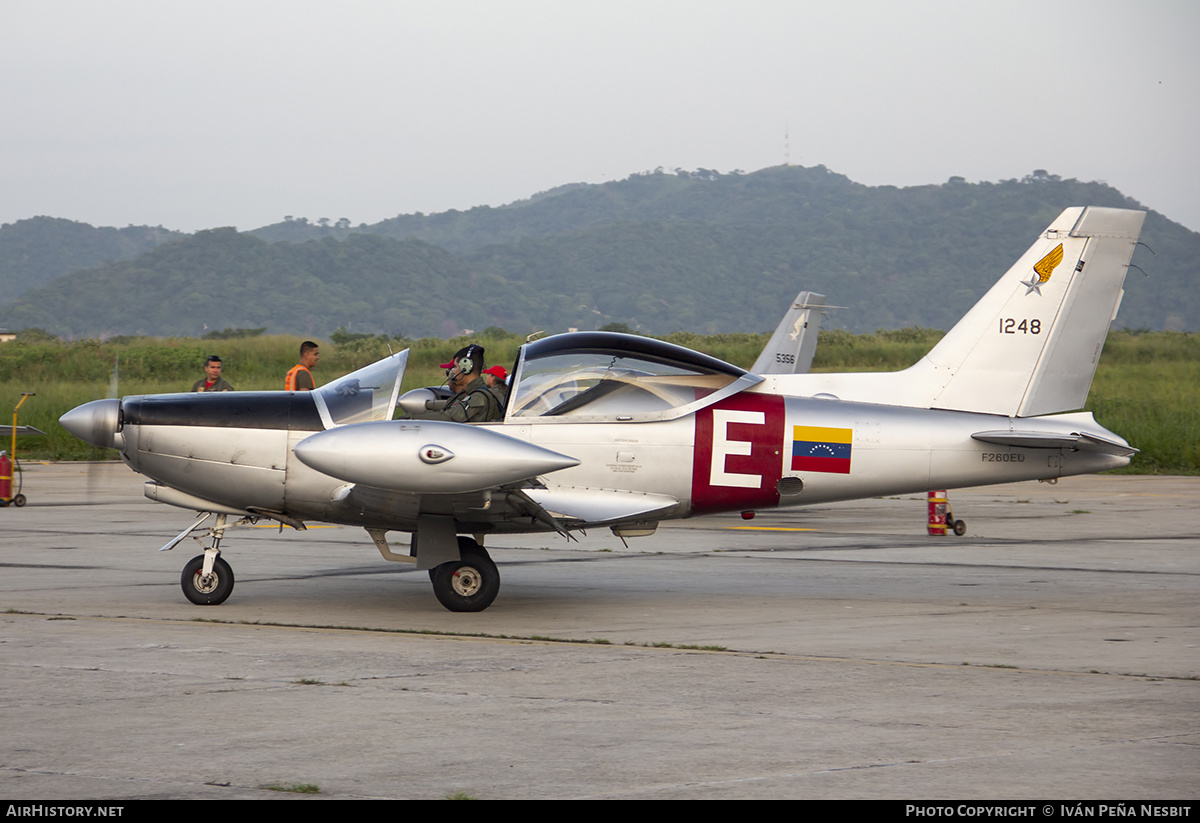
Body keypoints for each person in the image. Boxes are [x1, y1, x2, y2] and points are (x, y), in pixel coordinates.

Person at [432, 344, 504, 423]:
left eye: (455, 367)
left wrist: (416, 416)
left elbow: (448, 417)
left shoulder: (478, 397)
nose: (453, 371)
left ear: (466, 368)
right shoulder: (470, 393)